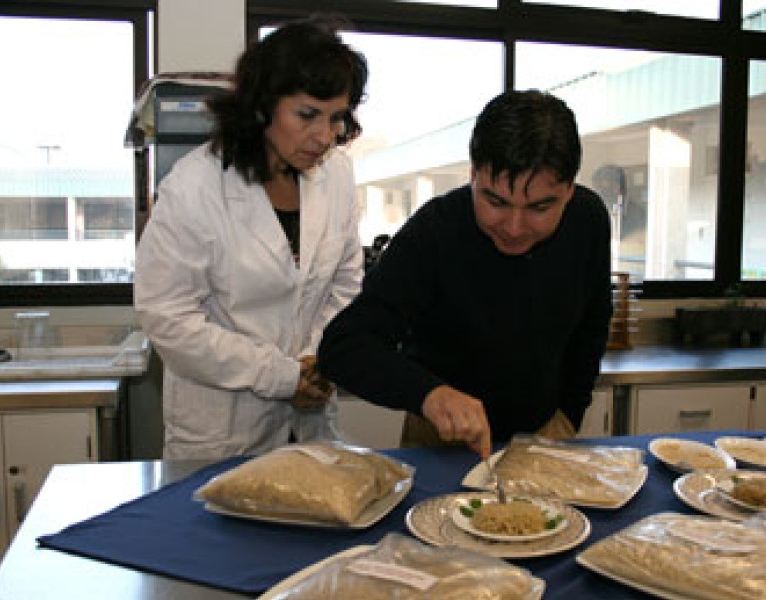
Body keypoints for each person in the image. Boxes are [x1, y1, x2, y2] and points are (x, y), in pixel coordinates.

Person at [317, 90, 611, 459]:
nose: (514, 227)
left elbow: (592, 326)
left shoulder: (588, 221)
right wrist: (428, 394)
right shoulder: (435, 232)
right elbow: (344, 347)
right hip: (441, 441)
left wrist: (570, 414)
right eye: (496, 202)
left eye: (539, 208)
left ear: (568, 190)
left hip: (546, 432)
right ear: (473, 175)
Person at [134, 16, 368, 459]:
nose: (324, 136)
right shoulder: (195, 186)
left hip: (311, 419)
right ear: (262, 105)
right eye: (307, 115)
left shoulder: (336, 174)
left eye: (336, 118)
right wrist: (281, 376)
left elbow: (345, 284)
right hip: (224, 430)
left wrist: (317, 363)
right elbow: (168, 317)